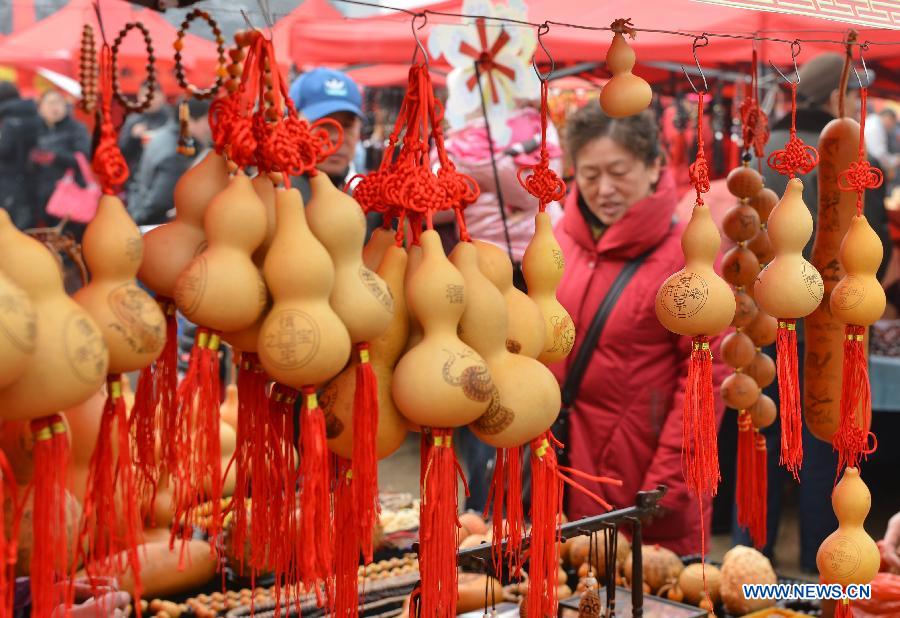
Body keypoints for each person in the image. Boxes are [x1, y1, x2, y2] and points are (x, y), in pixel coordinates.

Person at [550, 101, 728, 555]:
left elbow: (706, 380)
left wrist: (669, 482)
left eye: (618, 171)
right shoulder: (556, 244)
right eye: (589, 175)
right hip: (562, 468)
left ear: (653, 167)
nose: (604, 189)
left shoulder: (688, 257)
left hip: (645, 482)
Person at [748, 52, 891, 573]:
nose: (857, 101)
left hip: (766, 324)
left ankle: (752, 557)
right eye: (852, 93)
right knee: (824, 440)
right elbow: (872, 244)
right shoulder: (851, 157)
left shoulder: (764, 156)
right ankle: (818, 563)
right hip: (830, 332)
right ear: (835, 96)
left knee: (761, 432)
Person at [128, 99, 211, 226]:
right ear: (190, 120)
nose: (209, 127)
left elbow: (136, 182)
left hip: (141, 219)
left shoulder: (160, 138)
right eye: (206, 120)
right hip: (157, 226)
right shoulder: (177, 153)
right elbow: (161, 202)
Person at [288, 67, 364, 199]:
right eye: (323, 124)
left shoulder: (362, 206)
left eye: (347, 125)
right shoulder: (272, 198)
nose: (336, 138)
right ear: (291, 126)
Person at [28, 89, 91, 224]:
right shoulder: (34, 129)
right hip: (41, 195)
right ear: (40, 108)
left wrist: (55, 157)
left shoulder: (77, 128)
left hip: (70, 194)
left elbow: (83, 157)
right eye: (50, 103)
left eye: (58, 103)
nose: (54, 107)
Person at [0, 81, 40, 229]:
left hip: (9, 180)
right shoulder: (35, 114)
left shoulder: (8, 121)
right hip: (36, 179)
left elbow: (5, 149)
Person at [118, 82, 172, 191]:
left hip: (165, 176)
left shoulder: (171, 118)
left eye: (152, 95)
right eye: (144, 95)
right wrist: (133, 137)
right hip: (137, 179)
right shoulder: (133, 120)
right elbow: (121, 153)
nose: (148, 100)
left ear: (162, 96)